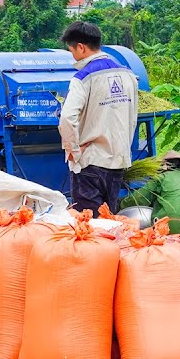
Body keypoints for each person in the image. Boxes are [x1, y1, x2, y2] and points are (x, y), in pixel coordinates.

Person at [58, 21, 139, 214]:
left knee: (88, 225)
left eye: (72, 51)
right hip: (117, 161)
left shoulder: (83, 78)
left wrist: (73, 150)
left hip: (89, 163)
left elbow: (67, 118)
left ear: (81, 47)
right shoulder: (128, 75)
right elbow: (132, 117)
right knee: (107, 218)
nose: (73, 57)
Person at [123, 150, 180, 235]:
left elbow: (139, 198)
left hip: (172, 224)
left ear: (166, 166)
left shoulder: (162, 177)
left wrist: (120, 205)